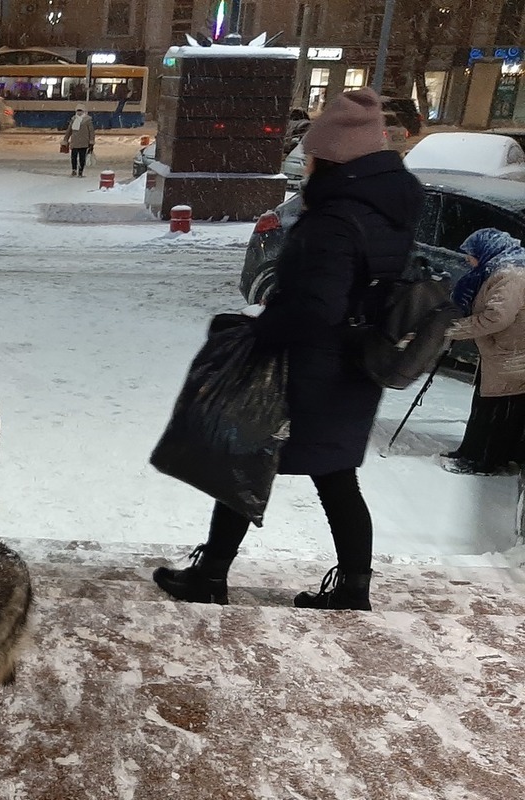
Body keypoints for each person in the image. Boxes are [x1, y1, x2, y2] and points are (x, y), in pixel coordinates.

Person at [152, 88, 424, 612]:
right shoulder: (390, 205)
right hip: (355, 366)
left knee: (245, 457)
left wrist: (257, 331)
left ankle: (211, 576)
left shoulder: (336, 219)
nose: (306, 167)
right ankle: (352, 587)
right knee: (335, 478)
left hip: (310, 371)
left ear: (335, 158)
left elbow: (313, 305)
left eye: (312, 157)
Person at [441, 229, 525, 475]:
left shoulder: (511, 275)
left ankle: (484, 461)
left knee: (495, 409)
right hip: (502, 351)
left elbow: (497, 317)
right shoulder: (501, 268)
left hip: (511, 353)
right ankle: (471, 452)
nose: (467, 260)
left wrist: (457, 329)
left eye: (470, 255)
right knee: (486, 403)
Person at [62, 104, 94, 177]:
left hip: (81, 142)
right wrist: (65, 140)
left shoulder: (85, 120)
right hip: (78, 142)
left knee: (78, 157)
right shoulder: (75, 119)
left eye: (80, 111)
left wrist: (91, 141)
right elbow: (69, 130)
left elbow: (91, 131)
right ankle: (77, 171)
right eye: (78, 111)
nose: (79, 112)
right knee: (77, 157)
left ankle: (77, 171)